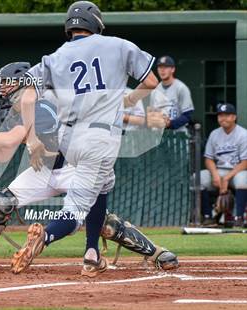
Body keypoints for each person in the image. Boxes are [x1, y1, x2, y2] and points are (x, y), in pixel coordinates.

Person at [0, 62, 178, 275]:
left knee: (101, 224)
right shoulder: (19, 112)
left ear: (24, 84)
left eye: (8, 84)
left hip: (74, 169)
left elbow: (9, 140)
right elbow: (1, 153)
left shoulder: (43, 105)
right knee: (0, 202)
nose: (3, 89)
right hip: (44, 172)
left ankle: (156, 252)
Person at [10, 1, 177, 276]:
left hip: (68, 136)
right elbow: (150, 82)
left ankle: (91, 253)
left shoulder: (55, 56)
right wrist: (129, 99)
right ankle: (45, 237)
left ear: (70, 27)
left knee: (104, 183)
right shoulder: (118, 45)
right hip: (100, 137)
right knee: (76, 210)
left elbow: (26, 95)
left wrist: (32, 140)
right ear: (96, 24)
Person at [201, 103, 247, 226]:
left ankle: (239, 218)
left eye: (227, 115)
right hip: (219, 170)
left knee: (243, 179)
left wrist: (226, 178)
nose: (223, 118)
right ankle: (208, 217)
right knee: (199, 178)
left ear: (234, 117)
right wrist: (215, 175)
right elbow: (208, 159)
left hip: (237, 171)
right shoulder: (214, 134)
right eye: (220, 115)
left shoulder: (243, 134)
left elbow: (245, 163)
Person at [149, 56, 194, 133]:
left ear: (173, 69)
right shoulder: (155, 91)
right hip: (159, 135)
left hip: (178, 135)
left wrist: (170, 123)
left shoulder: (181, 88)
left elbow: (188, 115)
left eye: (165, 67)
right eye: (160, 67)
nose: (162, 70)